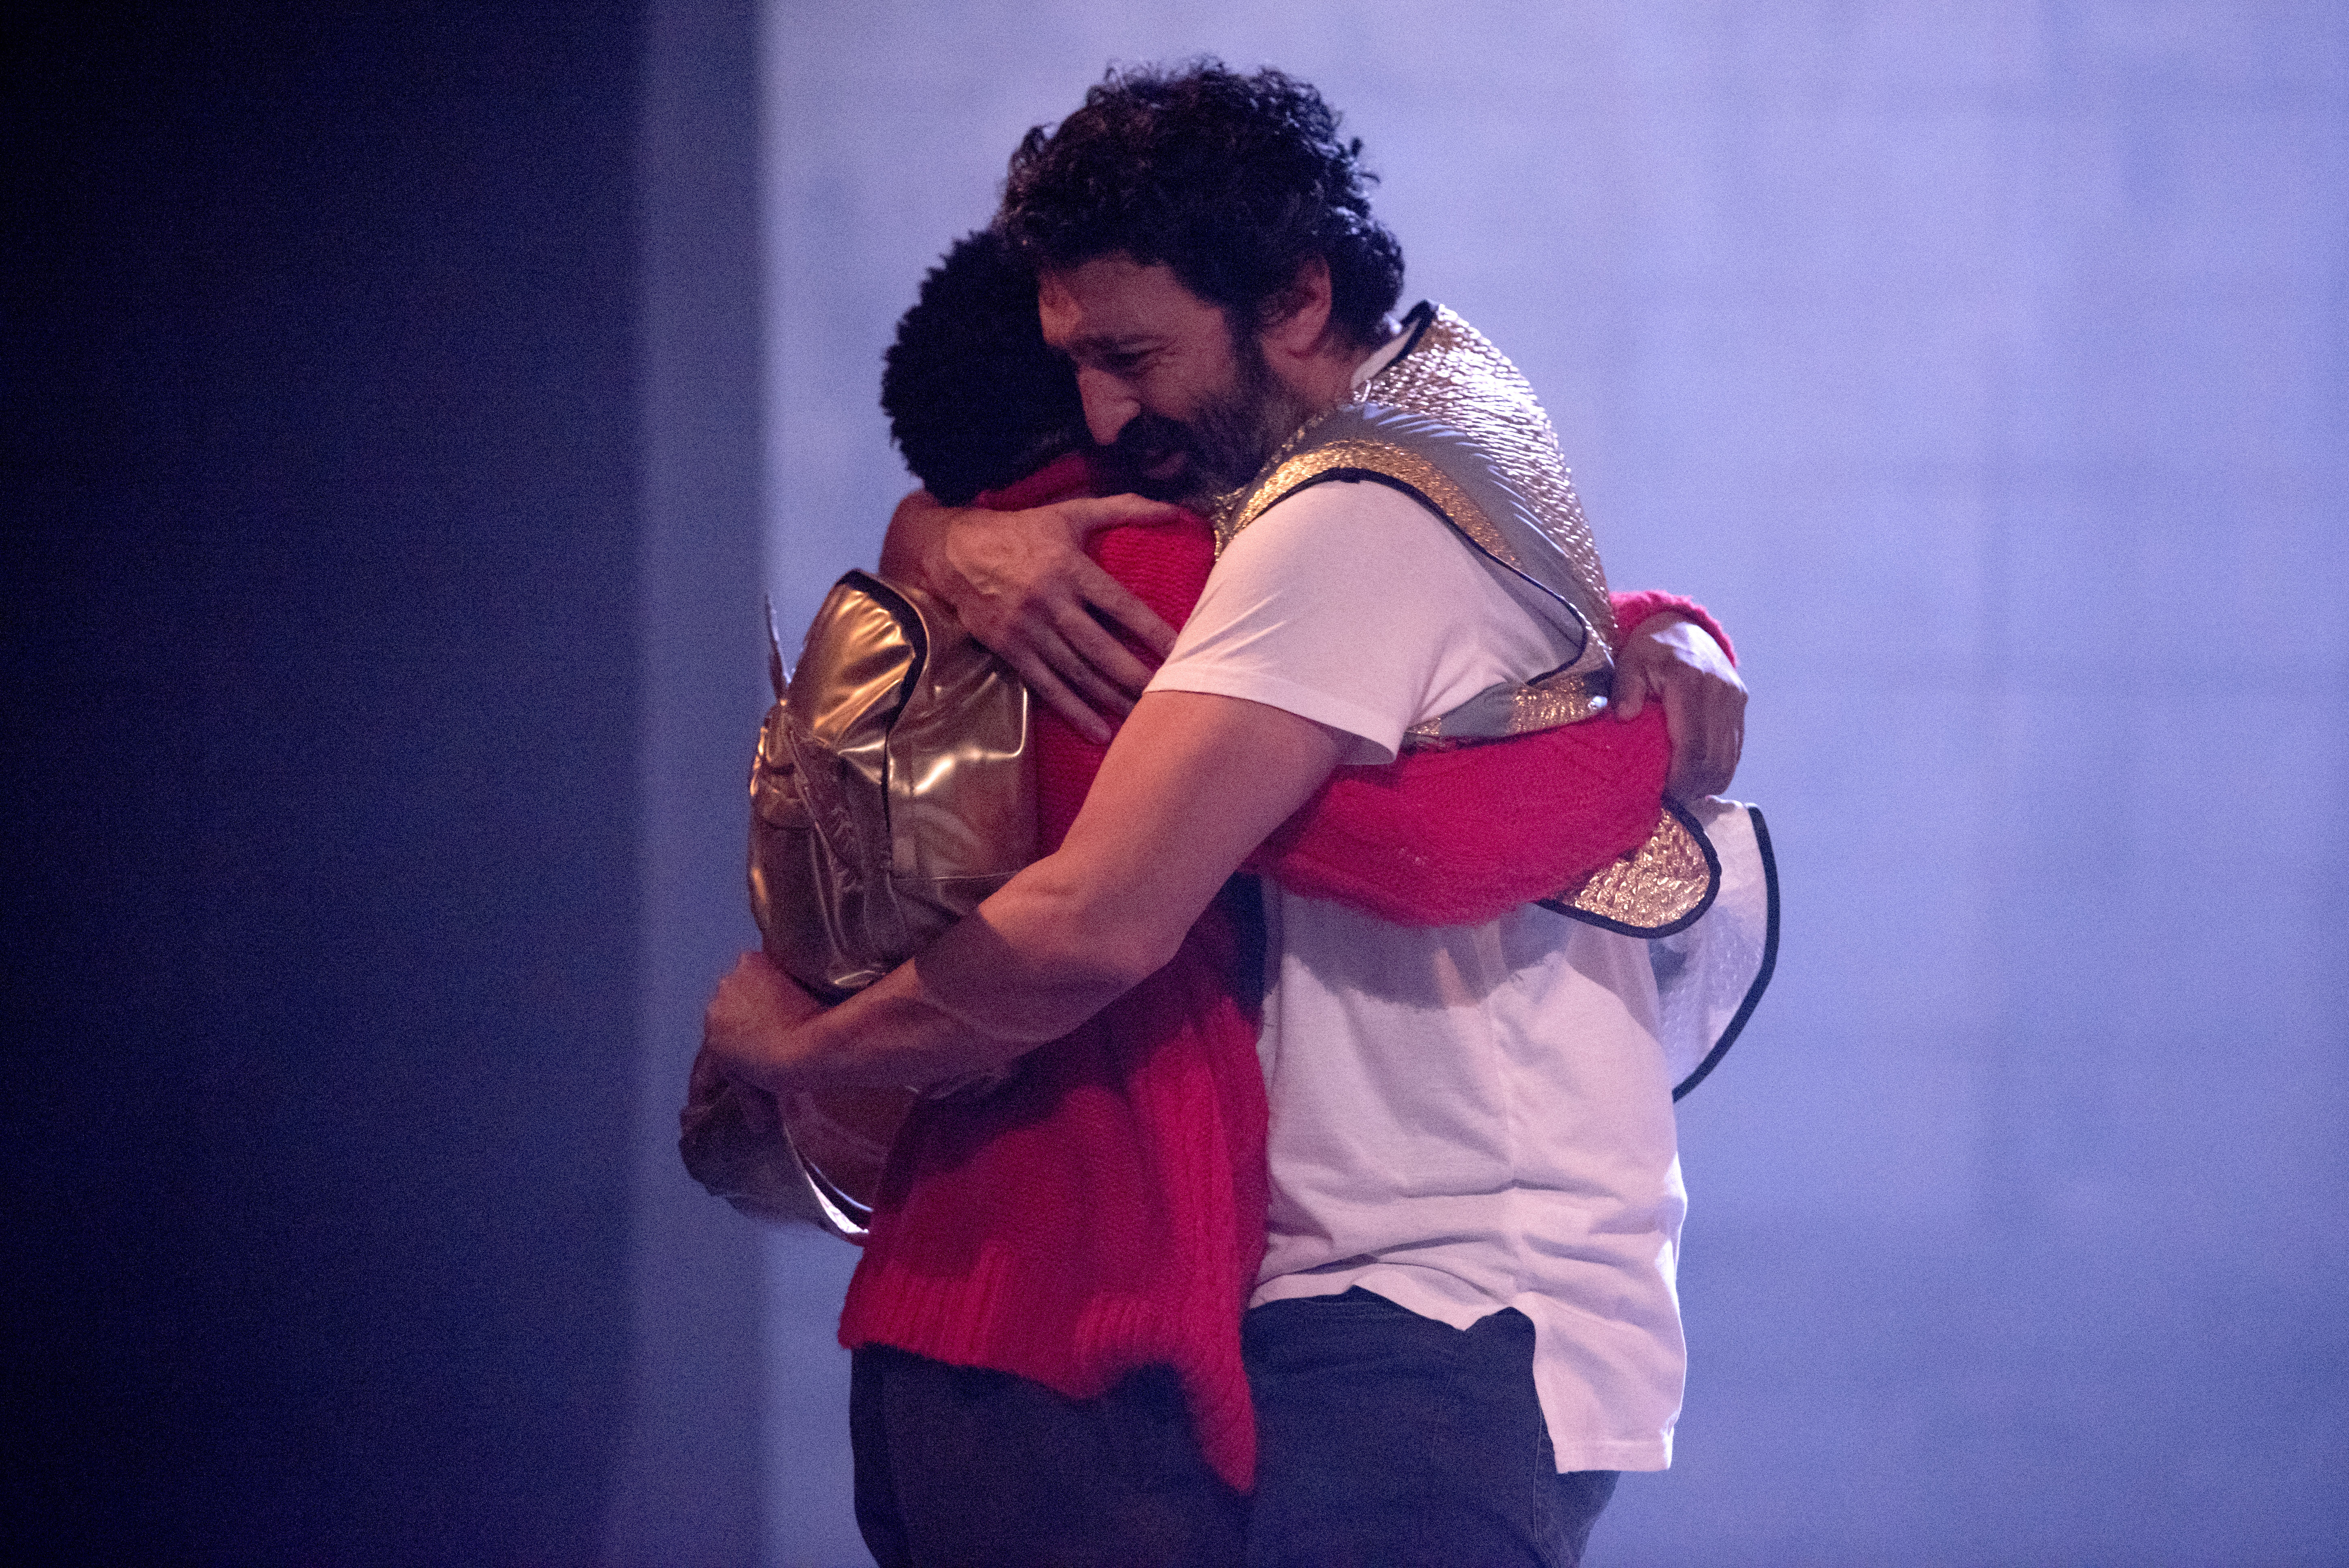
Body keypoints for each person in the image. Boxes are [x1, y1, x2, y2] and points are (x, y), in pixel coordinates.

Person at [703, 63, 1748, 1568]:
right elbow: (1447, 771)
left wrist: (792, 1054)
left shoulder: (1329, 521)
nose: (1108, 414)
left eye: (1134, 354)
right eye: (1074, 365)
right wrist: (1664, 692)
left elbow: (1157, 900)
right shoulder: (1452, 415)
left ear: (1298, 296)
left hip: (1435, 1312)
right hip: (1362, 1319)